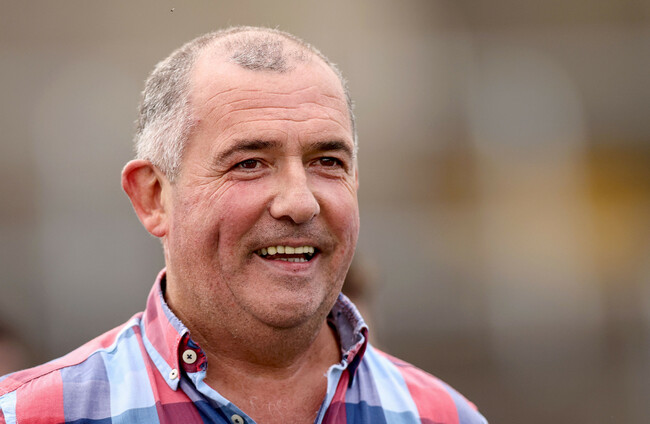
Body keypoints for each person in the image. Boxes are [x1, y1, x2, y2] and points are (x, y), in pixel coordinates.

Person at [0, 26, 487, 424]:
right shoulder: (32, 416)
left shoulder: (442, 418)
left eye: (327, 161)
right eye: (250, 163)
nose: (300, 202)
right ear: (153, 196)